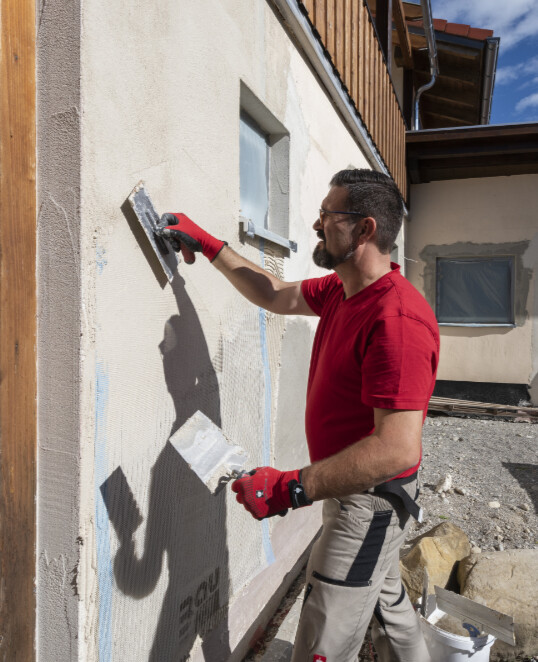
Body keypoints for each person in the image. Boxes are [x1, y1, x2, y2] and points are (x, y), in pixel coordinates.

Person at [158, 169, 438, 662]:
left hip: (368, 500)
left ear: (365, 229)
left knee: (321, 642)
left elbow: (397, 446)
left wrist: (291, 487)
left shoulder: (397, 319)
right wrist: (208, 244)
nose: (316, 223)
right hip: (354, 489)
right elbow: (271, 292)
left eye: (329, 215)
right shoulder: (339, 290)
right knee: (388, 608)